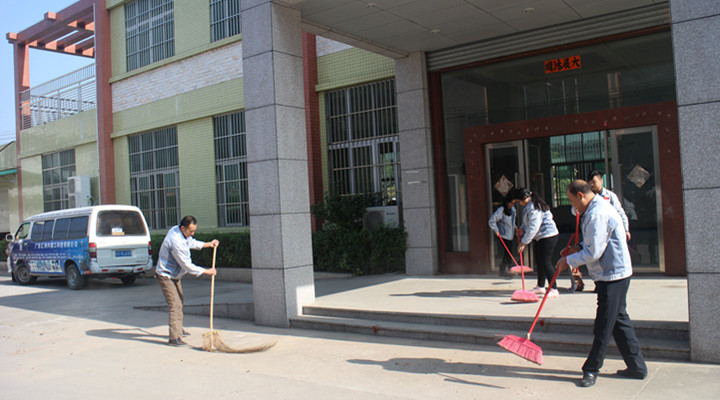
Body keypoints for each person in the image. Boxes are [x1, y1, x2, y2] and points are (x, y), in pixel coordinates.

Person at [556, 180, 647, 388]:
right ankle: (637, 367)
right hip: (614, 273)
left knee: (604, 325)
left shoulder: (597, 213)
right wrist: (578, 248)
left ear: (581, 196)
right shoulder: (596, 208)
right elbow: (596, 242)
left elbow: (594, 252)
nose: (573, 206)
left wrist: (568, 261)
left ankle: (591, 369)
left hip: (613, 275)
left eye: (572, 200)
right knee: (619, 321)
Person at [155, 215, 219, 346]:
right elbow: (187, 266)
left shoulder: (179, 231)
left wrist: (208, 244)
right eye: (190, 231)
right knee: (175, 303)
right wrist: (207, 271)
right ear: (183, 228)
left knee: (180, 300)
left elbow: (190, 242)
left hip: (174, 275)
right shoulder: (176, 242)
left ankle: (178, 328)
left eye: (194, 230)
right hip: (165, 275)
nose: (192, 233)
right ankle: (174, 337)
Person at [513, 188, 560, 297]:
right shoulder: (529, 206)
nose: (520, 204)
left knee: (546, 262)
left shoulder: (534, 207)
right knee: (539, 262)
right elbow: (528, 223)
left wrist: (524, 242)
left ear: (525, 198)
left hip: (548, 235)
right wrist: (522, 229)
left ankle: (553, 288)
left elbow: (533, 226)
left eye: (519, 201)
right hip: (540, 237)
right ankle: (540, 286)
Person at [587, 169, 631, 241]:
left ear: (601, 181)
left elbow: (620, 212)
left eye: (594, 182)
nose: (591, 185)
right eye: (590, 183)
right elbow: (577, 209)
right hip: (594, 231)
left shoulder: (610, 196)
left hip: (609, 231)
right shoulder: (587, 197)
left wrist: (626, 229)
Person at [488, 193, 517, 277]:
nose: (512, 205)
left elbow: (512, 222)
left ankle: (508, 268)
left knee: (509, 252)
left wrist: (516, 228)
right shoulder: (501, 210)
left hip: (511, 234)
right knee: (507, 253)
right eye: (511, 203)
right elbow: (492, 221)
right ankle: (504, 269)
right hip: (503, 235)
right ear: (507, 202)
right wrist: (496, 230)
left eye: (513, 203)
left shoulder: (513, 210)